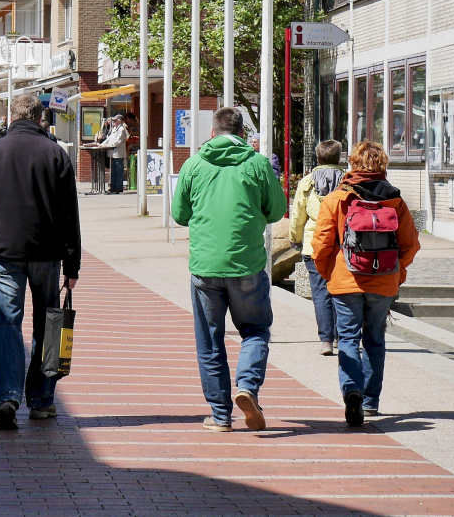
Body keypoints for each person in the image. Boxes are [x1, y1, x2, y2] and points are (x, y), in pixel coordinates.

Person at [0, 93, 81, 430]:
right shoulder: (56, 154)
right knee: (48, 326)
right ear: (40, 118)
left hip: (5, 252)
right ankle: (43, 400)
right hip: (47, 254)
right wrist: (72, 265)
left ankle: (7, 396)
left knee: (5, 324)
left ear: (11, 117)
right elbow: (69, 216)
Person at [172, 106, 288, 433]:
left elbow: (179, 214)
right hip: (247, 264)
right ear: (243, 134)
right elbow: (277, 211)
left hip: (205, 267)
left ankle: (220, 416)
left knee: (210, 341)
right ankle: (247, 387)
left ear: (212, 133)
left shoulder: (193, 164)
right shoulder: (258, 164)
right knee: (255, 329)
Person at [312, 141, 421, 426]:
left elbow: (321, 244)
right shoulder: (395, 201)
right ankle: (370, 402)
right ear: (382, 165)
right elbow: (410, 245)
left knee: (348, 338)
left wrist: (328, 273)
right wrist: (397, 272)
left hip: (346, 280)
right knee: (375, 338)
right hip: (383, 283)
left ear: (352, 164)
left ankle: (352, 392)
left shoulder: (337, 198)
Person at [289, 140, 345, 355]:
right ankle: (343, 336)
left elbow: (297, 216)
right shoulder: (347, 181)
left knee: (320, 292)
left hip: (314, 245)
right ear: (338, 158)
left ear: (318, 158)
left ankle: (326, 340)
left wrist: (295, 239)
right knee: (342, 290)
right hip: (341, 244)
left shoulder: (306, 182)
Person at [99, 115, 129, 194]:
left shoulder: (122, 129)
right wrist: (102, 144)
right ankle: (113, 187)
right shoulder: (114, 129)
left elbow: (118, 141)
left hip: (118, 153)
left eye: (115, 120)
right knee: (113, 171)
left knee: (119, 170)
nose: (114, 122)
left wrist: (108, 145)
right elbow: (109, 139)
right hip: (112, 153)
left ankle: (118, 188)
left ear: (120, 120)